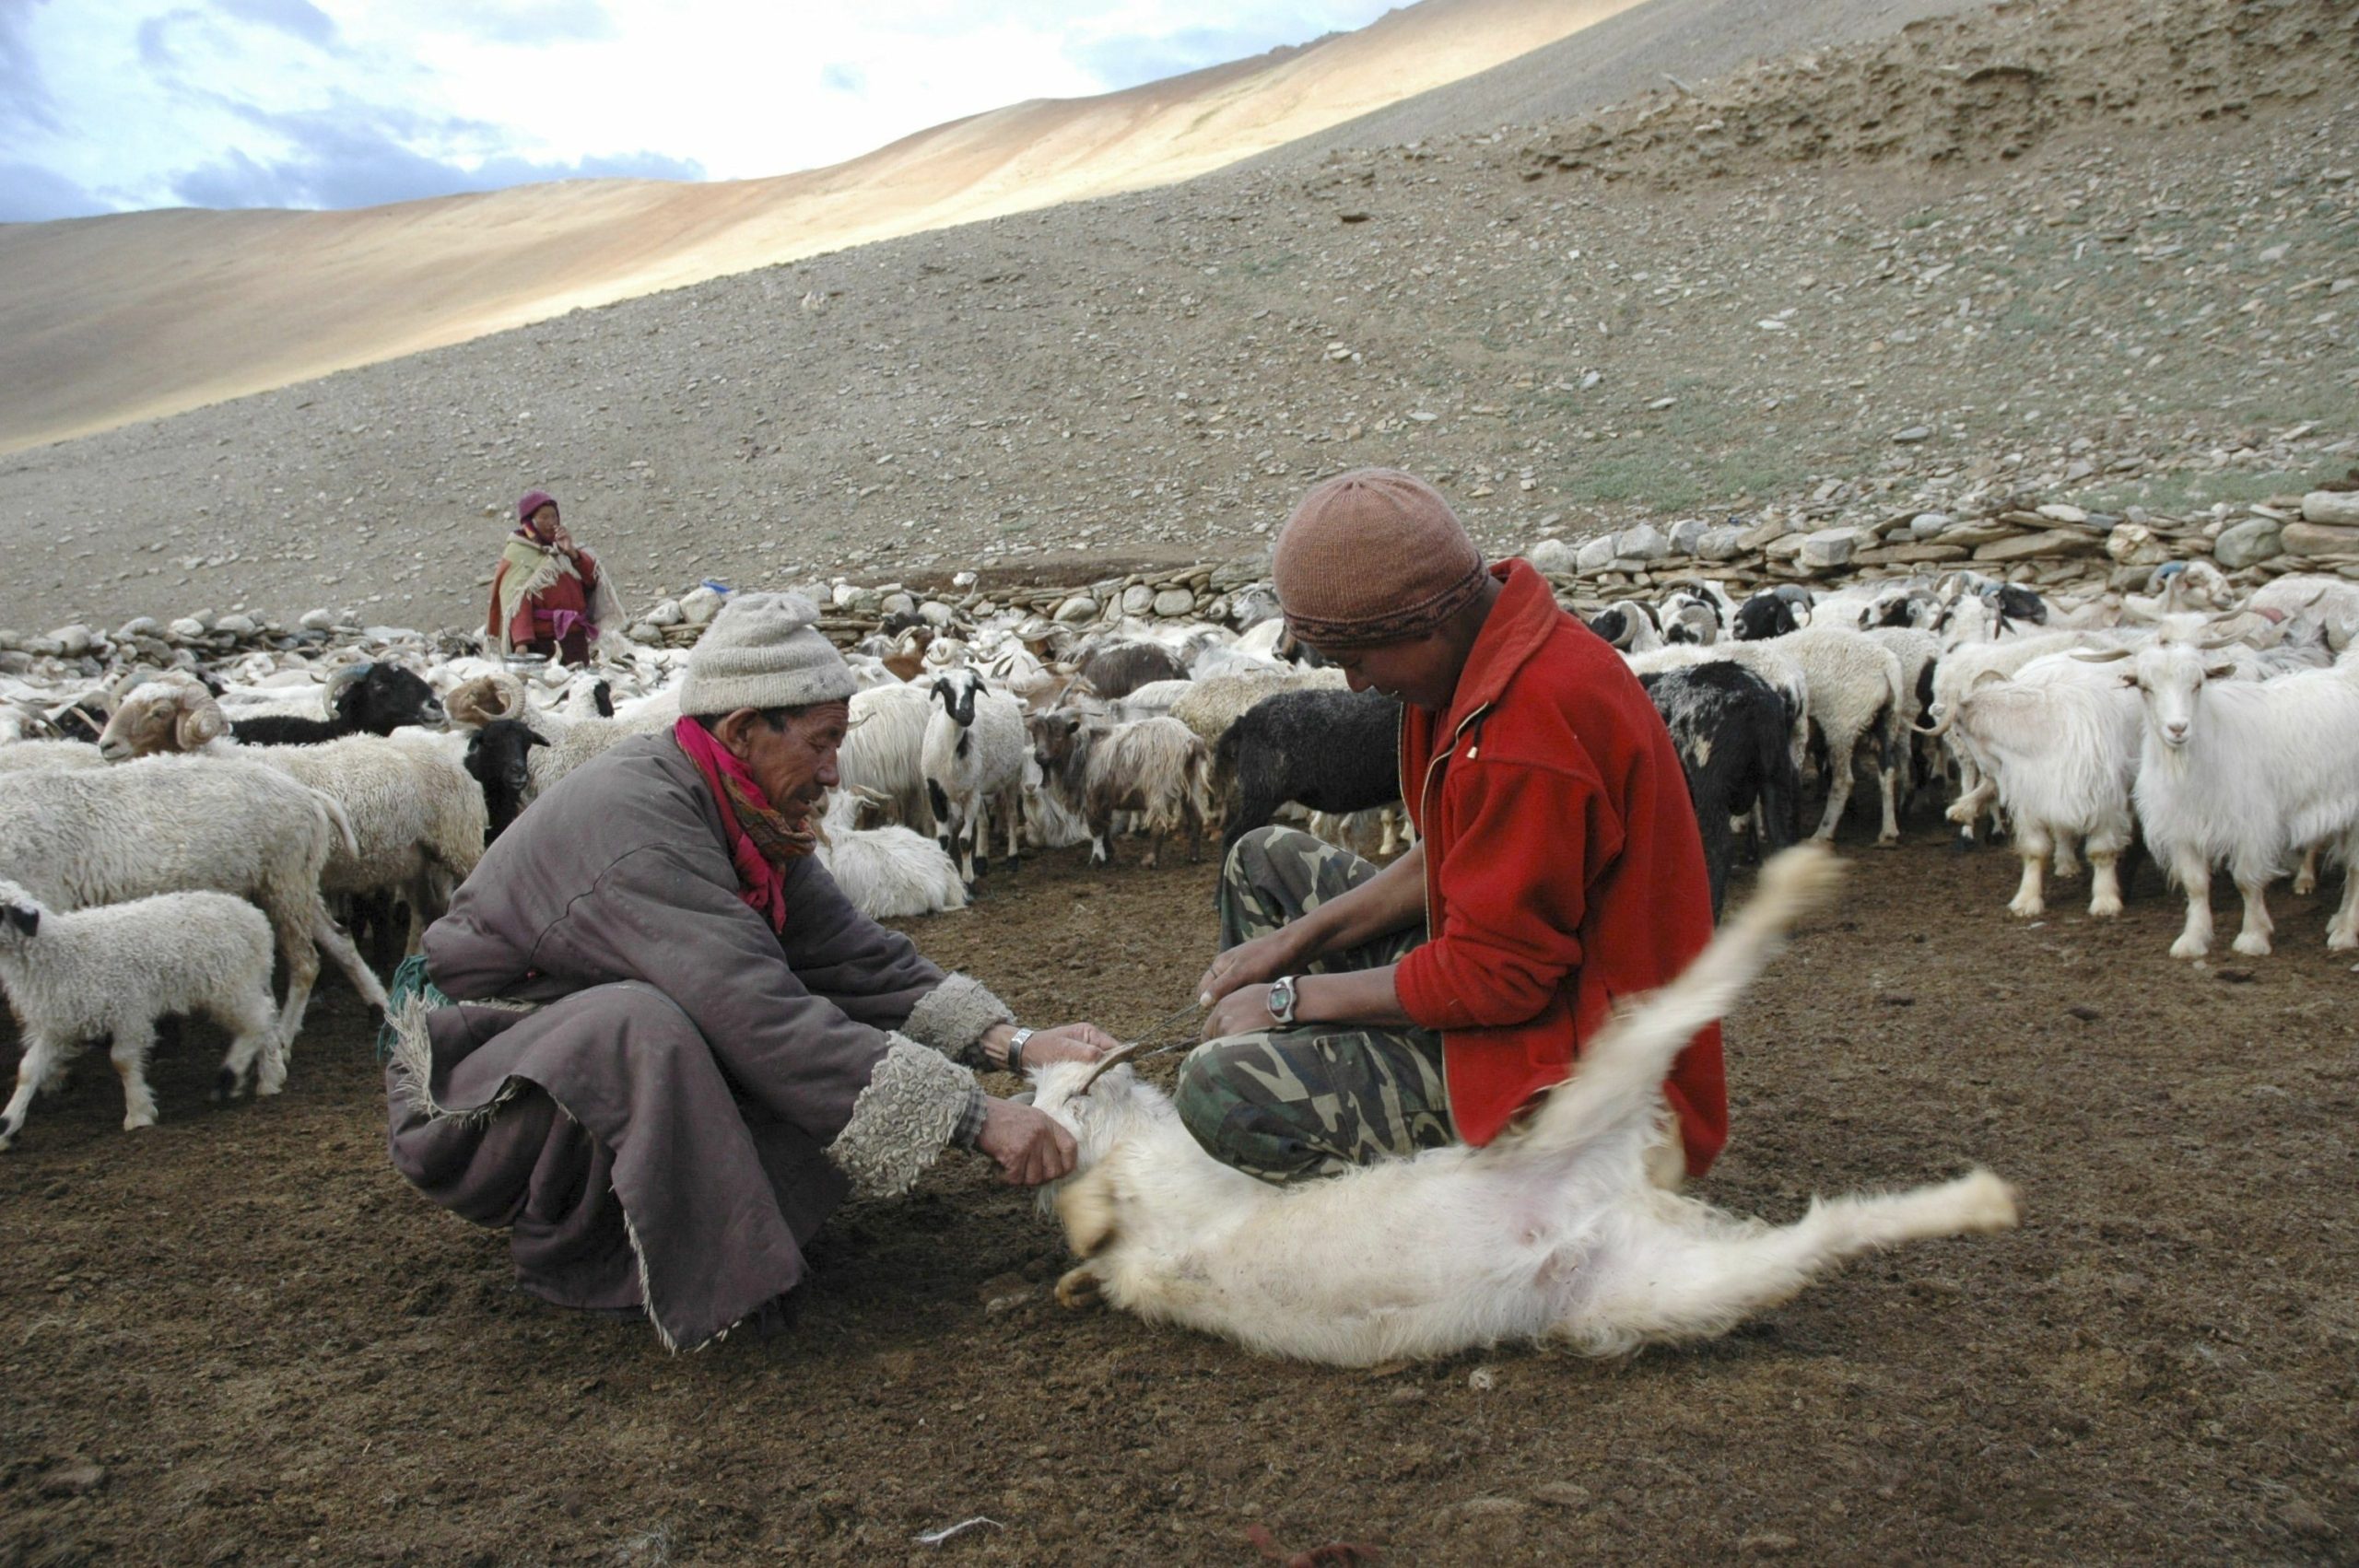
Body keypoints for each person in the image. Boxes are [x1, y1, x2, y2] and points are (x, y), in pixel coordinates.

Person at [383, 591, 1109, 1350]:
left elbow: (850, 954)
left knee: (725, 1010)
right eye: (822, 743)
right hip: (472, 1084)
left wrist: (1016, 1045)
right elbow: (755, 1012)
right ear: (742, 729)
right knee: (647, 1025)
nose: (834, 774)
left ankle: (731, 1225)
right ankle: (614, 1264)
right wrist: (980, 1119)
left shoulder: (742, 809)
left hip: (554, 1035)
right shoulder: (642, 833)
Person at [1182, 468, 1725, 1188]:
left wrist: (1289, 999)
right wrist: (1289, 946)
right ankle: (1318, 1068)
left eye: (1357, 659)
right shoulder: (1488, 654)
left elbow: (1500, 978)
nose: (1354, 686)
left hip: (1582, 1071)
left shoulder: (1526, 730)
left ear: (1424, 621)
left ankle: (1437, 1239)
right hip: (1537, 988)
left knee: (1219, 1090)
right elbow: (1454, 856)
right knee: (1260, 859)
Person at [487, 488, 622, 666]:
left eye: (554, 517)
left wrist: (572, 552)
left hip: (574, 639)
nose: (551, 522)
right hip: (542, 643)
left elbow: (591, 582)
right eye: (544, 517)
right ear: (529, 522)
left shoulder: (561, 552)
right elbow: (517, 601)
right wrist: (522, 642)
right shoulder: (519, 554)